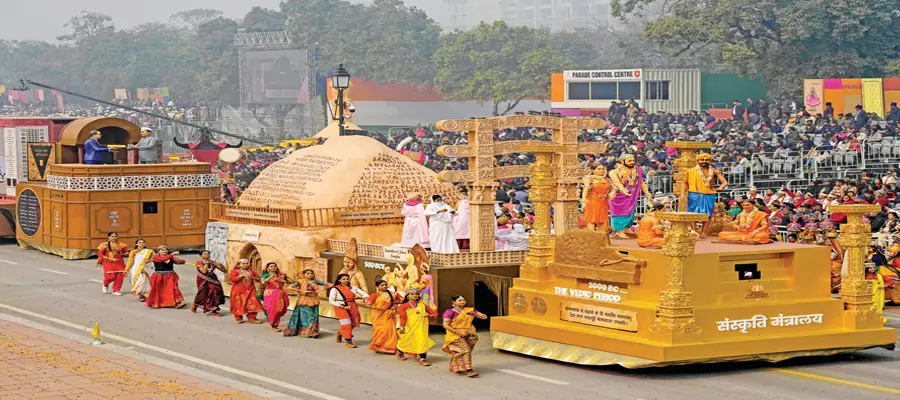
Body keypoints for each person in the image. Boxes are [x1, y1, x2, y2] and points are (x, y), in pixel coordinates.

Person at [441, 295, 487, 377]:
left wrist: (476, 314)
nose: (462, 302)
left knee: (461, 351)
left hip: (469, 334)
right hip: (454, 334)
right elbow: (445, 325)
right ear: (454, 302)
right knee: (466, 350)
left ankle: (454, 365)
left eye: (463, 300)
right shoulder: (450, 312)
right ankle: (469, 370)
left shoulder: (469, 310)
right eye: (460, 300)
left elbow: (484, 317)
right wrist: (457, 332)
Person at [608, 154, 653, 239]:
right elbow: (617, 182)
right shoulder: (614, 172)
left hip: (632, 196)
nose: (632, 162)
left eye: (633, 160)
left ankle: (626, 228)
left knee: (630, 213)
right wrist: (623, 189)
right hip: (618, 196)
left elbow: (641, 183)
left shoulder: (638, 170)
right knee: (619, 214)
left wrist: (647, 193)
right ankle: (619, 230)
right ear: (622, 161)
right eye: (630, 161)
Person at [284, 269, 331, 338]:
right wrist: (300, 290)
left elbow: (329, 285)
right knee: (309, 316)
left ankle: (312, 331)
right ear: (304, 275)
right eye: (308, 274)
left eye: (311, 273)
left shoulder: (316, 281)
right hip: (304, 300)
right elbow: (289, 287)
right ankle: (308, 331)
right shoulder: (300, 282)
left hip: (314, 300)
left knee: (314, 316)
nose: (310, 275)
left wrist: (321, 290)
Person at [396, 289, 438, 366]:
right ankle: (400, 352)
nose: (415, 295)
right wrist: (402, 327)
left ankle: (422, 359)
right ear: (407, 296)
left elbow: (434, 313)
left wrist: (431, 315)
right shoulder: (403, 306)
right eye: (412, 294)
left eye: (416, 294)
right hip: (409, 327)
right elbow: (403, 317)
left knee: (422, 341)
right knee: (406, 341)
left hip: (421, 327)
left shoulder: (422, 305)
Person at [329, 273, 369, 348]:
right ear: (339, 280)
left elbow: (366, 295)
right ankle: (348, 341)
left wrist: (359, 297)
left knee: (354, 322)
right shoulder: (335, 289)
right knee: (347, 324)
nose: (346, 280)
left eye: (347, 279)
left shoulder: (353, 288)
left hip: (352, 306)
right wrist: (342, 307)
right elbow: (331, 300)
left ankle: (340, 333)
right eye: (343, 279)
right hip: (341, 307)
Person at [683, 153, 727, 218]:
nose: (704, 161)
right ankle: (694, 228)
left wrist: (721, 187)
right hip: (694, 194)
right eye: (702, 159)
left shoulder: (715, 171)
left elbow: (725, 182)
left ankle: (704, 228)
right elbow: (684, 183)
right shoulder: (690, 171)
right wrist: (682, 193)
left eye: (707, 160)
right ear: (697, 161)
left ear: (710, 161)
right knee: (692, 214)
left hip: (709, 194)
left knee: (708, 215)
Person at [366, 279, 402, 355]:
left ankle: (389, 348)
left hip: (390, 315)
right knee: (380, 331)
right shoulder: (375, 295)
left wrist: (397, 302)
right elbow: (368, 304)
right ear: (377, 286)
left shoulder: (393, 294)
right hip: (378, 316)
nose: (384, 286)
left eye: (385, 285)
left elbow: (403, 299)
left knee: (390, 331)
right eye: (382, 285)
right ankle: (378, 346)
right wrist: (377, 307)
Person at [192, 250, 226, 316]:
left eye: (208, 254)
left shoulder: (213, 262)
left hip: (213, 279)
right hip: (203, 280)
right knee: (203, 294)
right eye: (205, 254)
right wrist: (206, 264)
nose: (207, 255)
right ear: (201, 255)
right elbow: (204, 272)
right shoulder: (199, 263)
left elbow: (225, 271)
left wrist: (220, 265)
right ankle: (196, 303)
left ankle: (213, 310)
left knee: (215, 293)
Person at [229, 259, 264, 324]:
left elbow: (258, 278)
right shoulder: (235, 271)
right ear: (239, 265)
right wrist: (239, 277)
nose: (245, 265)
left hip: (251, 289)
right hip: (239, 291)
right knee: (238, 304)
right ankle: (238, 318)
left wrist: (256, 278)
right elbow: (231, 279)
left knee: (254, 302)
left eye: (247, 263)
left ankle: (252, 317)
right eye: (243, 263)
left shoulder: (251, 271)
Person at [261, 262, 292, 332]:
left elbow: (291, 281)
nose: (273, 267)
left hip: (281, 293)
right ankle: (274, 325)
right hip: (270, 294)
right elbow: (263, 282)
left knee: (281, 309)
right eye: (271, 266)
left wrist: (285, 278)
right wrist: (271, 276)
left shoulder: (281, 275)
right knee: (274, 310)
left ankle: (274, 321)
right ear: (268, 268)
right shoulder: (265, 275)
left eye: (274, 266)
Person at [581, 165, 611, 232]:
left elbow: (612, 189)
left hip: (603, 202)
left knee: (603, 220)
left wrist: (612, 193)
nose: (602, 170)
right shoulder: (589, 178)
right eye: (599, 169)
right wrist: (583, 201)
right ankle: (592, 239)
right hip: (592, 201)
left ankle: (602, 239)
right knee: (592, 220)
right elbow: (585, 189)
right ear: (593, 170)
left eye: (603, 169)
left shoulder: (607, 179)